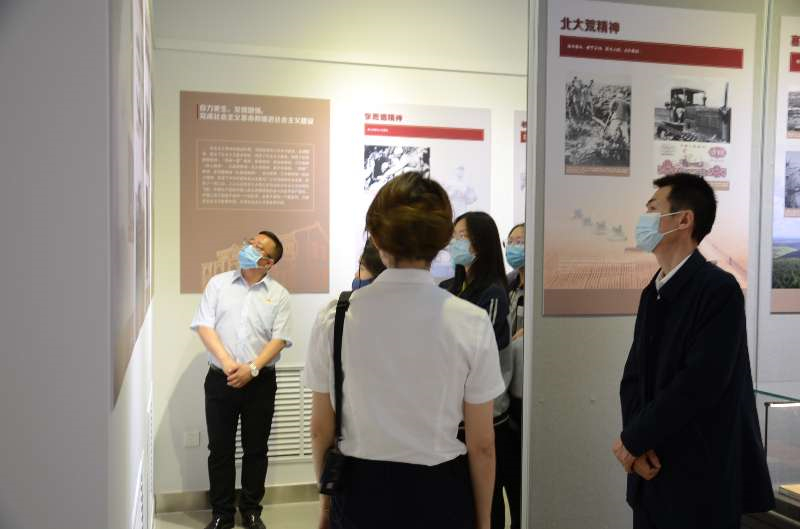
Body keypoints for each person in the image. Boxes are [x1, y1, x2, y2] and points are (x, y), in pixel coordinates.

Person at [305, 172, 505, 529]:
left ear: (375, 237)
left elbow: (321, 429)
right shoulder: (471, 321)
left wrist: (325, 506)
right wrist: (484, 520)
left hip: (360, 492)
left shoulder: (336, 318)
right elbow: (482, 444)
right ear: (441, 241)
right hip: (440, 492)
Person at [614, 173, 774, 529]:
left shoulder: (718, 290)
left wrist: (636, 439)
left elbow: (701, 382)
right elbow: (633, 377)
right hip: (650, 472)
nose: (644, 218)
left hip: (700, 476)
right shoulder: (652, 291)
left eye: (653, 209)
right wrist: (636, 444)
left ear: (684, 220)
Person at [190, 231, 293, 529]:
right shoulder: (218, 284)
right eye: (250, 242)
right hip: (220, 380)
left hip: (260, 383)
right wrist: (228, 363)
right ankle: (221, 513)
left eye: (257, 247)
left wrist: (253, 369)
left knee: (256, 450)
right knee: (220, 450)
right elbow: (204, 325)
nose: (248, 248)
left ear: (268, 262)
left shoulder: (279, 295)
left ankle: (251, 511)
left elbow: (280, 339)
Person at [440, 212, 518, 529]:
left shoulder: (493, 292)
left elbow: (477, 352)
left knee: (487, 497)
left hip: (488, 413)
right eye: (454, 236)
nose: (454, 243)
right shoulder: (450, 287)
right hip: (453, 414)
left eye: (462, 236)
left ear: (480, 243)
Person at [505, 223, 525, 430]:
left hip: (527, 379)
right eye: (509, 242)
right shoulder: (507, 282)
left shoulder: (541, 286)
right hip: (507, 373)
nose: (513, 247)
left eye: (519, 242)